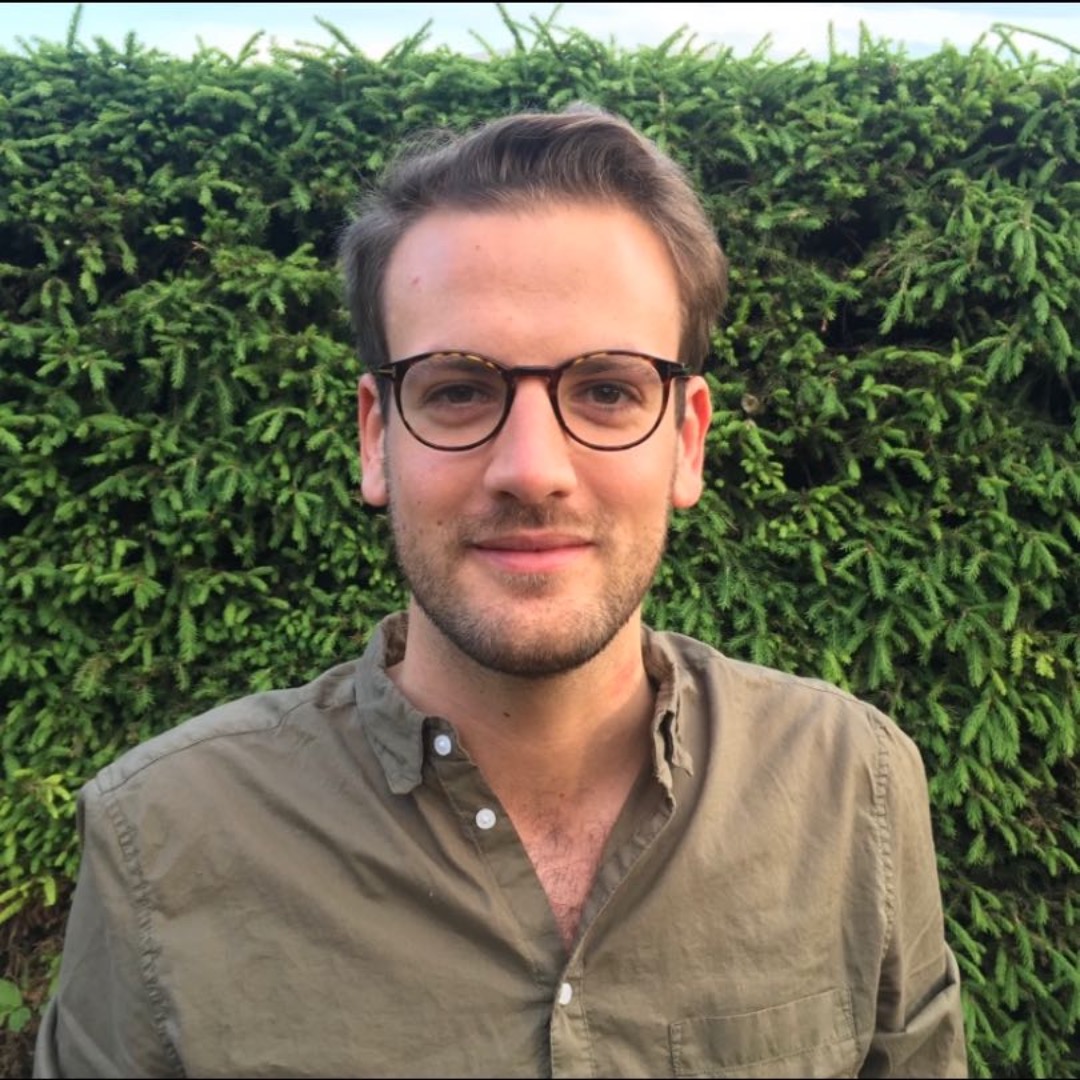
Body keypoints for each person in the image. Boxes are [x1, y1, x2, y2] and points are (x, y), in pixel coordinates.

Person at [34, 104, 968, 1078]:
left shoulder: (852, 783)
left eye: (607, 390)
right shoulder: (161, 840)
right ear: (376, 436)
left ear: (687, 440)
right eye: (458, 390)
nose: (532, 469)